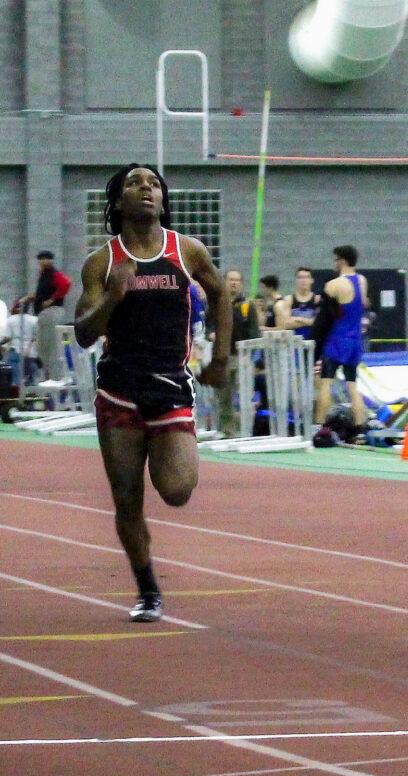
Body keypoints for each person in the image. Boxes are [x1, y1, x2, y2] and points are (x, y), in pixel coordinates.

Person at [73, 163, 231, 621]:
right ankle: (148, 589)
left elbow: (221, 294)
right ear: (118, 202)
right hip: (119, 392)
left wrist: (221, 357)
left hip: (170, 387)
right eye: (134, 183)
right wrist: (112, 296)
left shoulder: (187, 250)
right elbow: (83, 332)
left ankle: (167, 454)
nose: (146, 188)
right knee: (127, 499)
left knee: (177, 490)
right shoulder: (102, 262)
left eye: (154, 184)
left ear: (163, 200)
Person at [313, 245, 369, 431]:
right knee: (352, 386)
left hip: (337, 341)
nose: (334, 263)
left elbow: (323, 320)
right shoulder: (362, 281)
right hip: (355, 341)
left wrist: (316, 345)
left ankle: (320, 428)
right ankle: (360, 428)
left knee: (326, 383)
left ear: (342, 261)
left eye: (335, 260)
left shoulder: (333, 285)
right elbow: (361, 305)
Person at [212, 269, 260, 437]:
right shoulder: (216, 302)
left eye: (237, 280)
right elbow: (207, 325)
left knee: (244, 395)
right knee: (223, 396)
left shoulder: (248, 306)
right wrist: (210, 334)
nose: (234, 283)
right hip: (221, 357)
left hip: (242, 357)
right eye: (231, 279)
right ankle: (227, 430)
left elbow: (254, 332)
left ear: (241, 284)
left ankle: (246, 430)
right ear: (224, 282)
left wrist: (251, 356)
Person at [13, 250, 72, 385]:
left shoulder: (54, 274)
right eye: (40, 259)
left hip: (52, 312)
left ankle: (58, 377)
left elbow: (66, 284)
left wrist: (52, 299)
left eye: (45, 259)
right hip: (43, 314)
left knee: (52, 345)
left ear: (50, 260)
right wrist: (29, 298)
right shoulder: (43, 276)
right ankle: (51, 375)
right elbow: (42, 294)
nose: (42, 261)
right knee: (42, 347)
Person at [273, 266, 321, 339]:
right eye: (300, 277)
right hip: (295, 342)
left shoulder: (317, 299)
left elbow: (319, 323)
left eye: (306, 277)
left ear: (312, 280)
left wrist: (297, 319)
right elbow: (286, 324)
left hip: (313, 341)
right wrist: (310, 321)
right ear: (296, 280)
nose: (303, 280)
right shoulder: (289, 300)